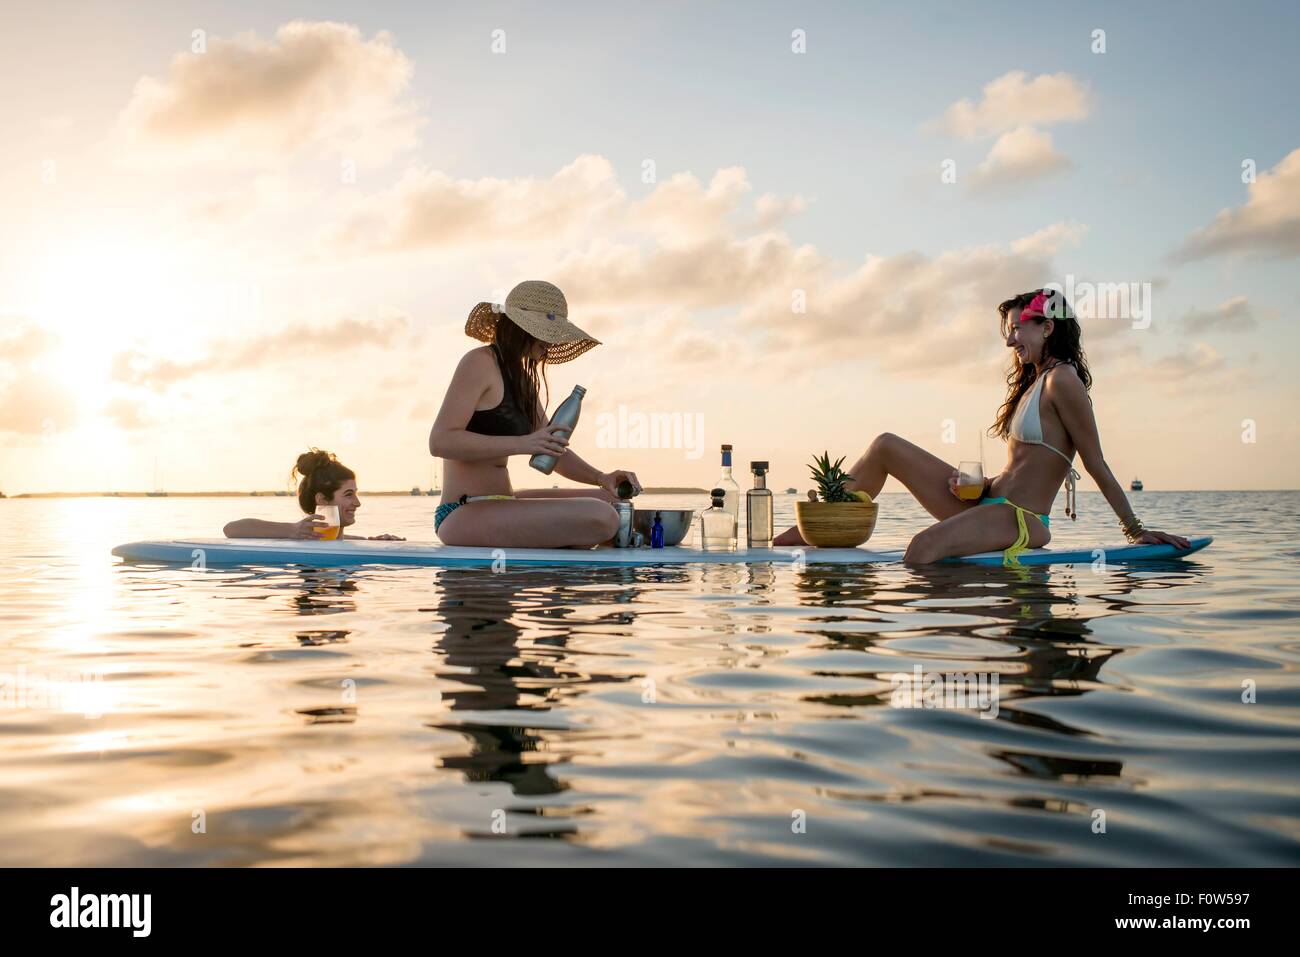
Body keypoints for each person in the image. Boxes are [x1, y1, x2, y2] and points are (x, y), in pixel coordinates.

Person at [773, 289, 1190, 564]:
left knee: (921, 548)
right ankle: (823, 524)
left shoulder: (1064, 380)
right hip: (986, 501)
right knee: (885, 445)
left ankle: (949, 632)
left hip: (1020, 518)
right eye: (1008, 333)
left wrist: (1135, 530)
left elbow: (1095, 462)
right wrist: (974, 484)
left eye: (1015, 330)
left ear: (1047, 326)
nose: (1010, 342)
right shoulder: (1035, 382)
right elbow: (1024, 465)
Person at [429, 280, 641, 548]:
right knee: (602, 516)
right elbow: (440, 442)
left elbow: (551, 450)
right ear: (523, 328)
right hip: (463, 511)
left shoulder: (520, 380)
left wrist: (602, 478)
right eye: (548, 333)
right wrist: (522, 443)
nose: (552, 343)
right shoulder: (479, 362)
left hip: (502, 504)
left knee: (614, 503)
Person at [223, 449, 405, 541]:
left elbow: (341, 541)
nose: (357, 503)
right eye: (348, 495)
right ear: (322, 500)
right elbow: (231, 529)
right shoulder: (299, 538)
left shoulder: (338, 539)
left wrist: (376, 542)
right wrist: (292, 530)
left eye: (356, 494)